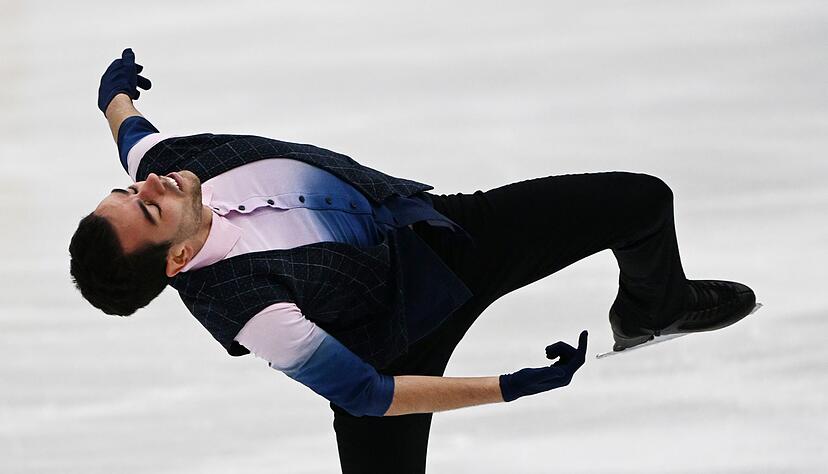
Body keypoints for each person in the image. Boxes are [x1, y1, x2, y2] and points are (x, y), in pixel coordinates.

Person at [69, 48, 757, 473]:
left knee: (640, 203)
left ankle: (651, 310)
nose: (152, 184)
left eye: (131, 191)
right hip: (391, 346)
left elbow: (129, 132)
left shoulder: (162, 168)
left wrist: (113, 90)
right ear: (174, 260)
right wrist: (510, 386)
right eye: (150, 207)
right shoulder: (247, 305)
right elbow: (370, 394)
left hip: (446, 238)